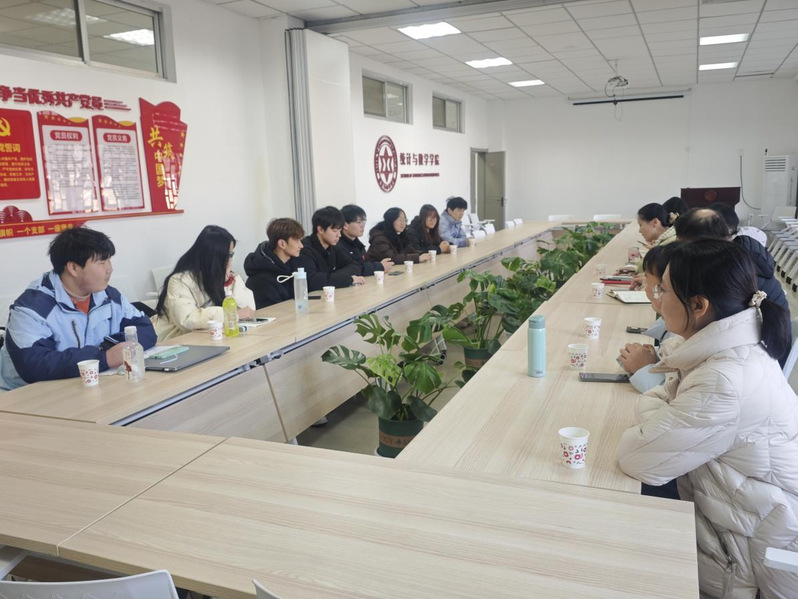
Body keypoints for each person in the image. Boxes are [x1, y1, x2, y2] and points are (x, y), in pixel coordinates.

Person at [616, 239, 797, 599]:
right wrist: (666, 413)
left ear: (698, 306)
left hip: (747, 559)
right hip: (735, 520)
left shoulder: (723, 380)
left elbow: (636, 456)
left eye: (663, 289)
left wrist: (661, 414)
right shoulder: (732, 348)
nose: (657, 298)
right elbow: (663, 402)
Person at [0, 227, 156, 391]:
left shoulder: (109, 296)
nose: (109, 269)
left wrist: (106, 350)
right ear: (73, 268)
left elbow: (145, 329)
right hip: (28, 394)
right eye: (101, 262)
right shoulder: (33, 308)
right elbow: (34, 365)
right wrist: (105, 357)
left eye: (109, 260)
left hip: (89, 384)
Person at [674, 207, 789, 320]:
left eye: (684, 249)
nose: (680, 256)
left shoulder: (729, 277)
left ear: (705, 248)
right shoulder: (738, 258)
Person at [153, 225, 255, 341]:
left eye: (231, 254)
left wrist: (228, 282)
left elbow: (249, 310)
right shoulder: (179, 281)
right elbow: (187, 319)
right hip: (177, 339)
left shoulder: (224, 276)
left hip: (211, 337)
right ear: (215, 258)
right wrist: (231, 315)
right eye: (228, 255)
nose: (230, 260)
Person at [618, 243, 681, 394]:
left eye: (648, 281)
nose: (647, 289)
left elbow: (673, 395)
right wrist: (655, 357)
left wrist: (642, 367)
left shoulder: (685, 333)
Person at [297, 206, 365, 290]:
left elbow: (354, 265)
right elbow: (313, 281)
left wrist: (334, 277)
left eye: (340, 230)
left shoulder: (333, 246)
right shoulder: (305, 249)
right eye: (335, 231)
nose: (339, 235)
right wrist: (346, 279)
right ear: (320, 230)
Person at [244, 218, 305, 309]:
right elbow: (276, 312)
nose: (301, 245)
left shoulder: (292, 266)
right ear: (282, 244)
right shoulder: (261, 280)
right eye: (297, 241)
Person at [338, 204, 393, 275]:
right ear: (345, 225)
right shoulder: (338, 245)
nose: (362, 226)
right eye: (359, 222)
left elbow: (365, 264)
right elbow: (354, 269)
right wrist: (379, 266)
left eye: (364, 222)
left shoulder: (357, 244)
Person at [366, 207, 430, 264]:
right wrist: (418, 258)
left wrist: (423, 254)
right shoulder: (379, 239)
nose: (403, 223)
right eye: (400, 220)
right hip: (376, 273)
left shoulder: (397, 234)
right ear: (391, 221)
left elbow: (409, 250)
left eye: (404, 220)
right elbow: (392, 258)